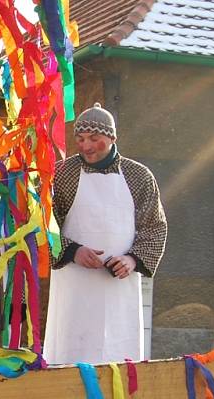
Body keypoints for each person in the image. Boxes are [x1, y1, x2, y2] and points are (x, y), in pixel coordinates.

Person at [44, 103, 167, 365]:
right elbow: (43, 225)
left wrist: (131, 260)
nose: (86, 145)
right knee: (70, 352)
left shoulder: (139, 176)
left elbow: (154, 226)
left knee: (117, 354)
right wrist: (72, 251)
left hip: (119, 287)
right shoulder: (61, 173)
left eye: (94, 139)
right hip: (74, 284)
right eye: (80, 139)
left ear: (112, 137)